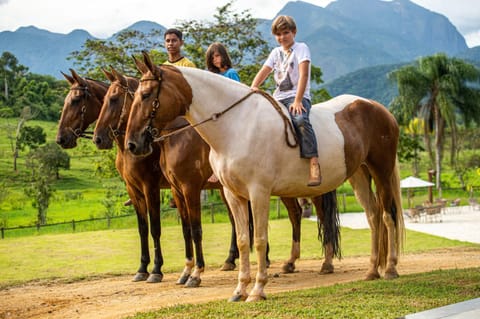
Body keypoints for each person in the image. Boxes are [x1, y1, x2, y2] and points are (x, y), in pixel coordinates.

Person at [250, 15, 322, 187]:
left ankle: (314, 162)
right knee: (259, 120)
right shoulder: (275, 53)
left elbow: (304, 74)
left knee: (300, 120)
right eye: (278, 34)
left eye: (286, 33)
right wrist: (253, 87)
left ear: (294, 32)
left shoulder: (301, 48)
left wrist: (298, 100)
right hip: (278, 97)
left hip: (298, 96)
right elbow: (264, 70)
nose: (282, 37)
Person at [205, 42, 240, 183]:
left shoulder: (231, 73)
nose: (215, 60)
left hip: (231, 112)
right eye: (212, 58)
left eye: (217, 56)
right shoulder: (213, 75)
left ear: (224, 56)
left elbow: (238, 92)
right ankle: (215, 169)